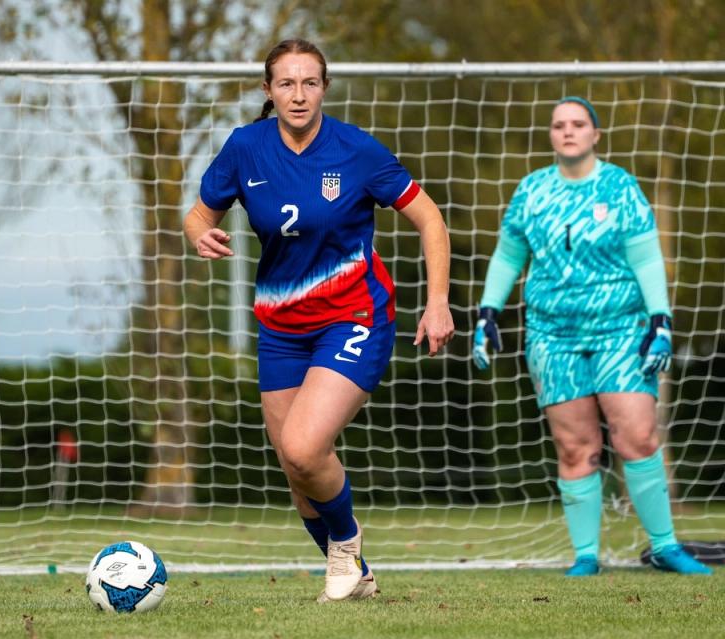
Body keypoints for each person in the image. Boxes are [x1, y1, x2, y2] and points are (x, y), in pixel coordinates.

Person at [183, 39, 454, 601]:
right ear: (268, 90)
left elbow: (430, 220)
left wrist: (437, 302)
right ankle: (360, 577)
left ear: (325, 88)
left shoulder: (356, 150)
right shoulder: (245, 147)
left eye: (310, 83)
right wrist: (199, 235)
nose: (299, 95)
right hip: (281, 328)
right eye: (286, 83)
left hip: (355, 314)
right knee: (296, 467)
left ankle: (346, 546)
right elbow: (198, 215)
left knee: (305, 447)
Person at [473, 96, 711, 576]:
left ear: (595, 134)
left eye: (578, 124)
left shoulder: (620, 188)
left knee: (637, 436)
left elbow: (647, 258)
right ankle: (586, 555)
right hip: (552, 336)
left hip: (621, 330)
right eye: (559, 124)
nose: (568, 131)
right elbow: (508, 256)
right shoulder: (531, 191)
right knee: (575, 447)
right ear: (551, 134)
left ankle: (666, 547)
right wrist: (487, 313)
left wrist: (660, 321)